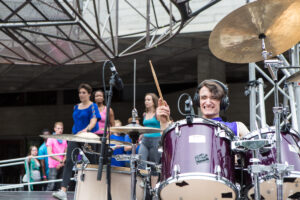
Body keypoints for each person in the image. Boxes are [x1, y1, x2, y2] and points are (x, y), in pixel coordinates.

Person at [53, 83, 101, 200]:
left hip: (87, 137)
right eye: (80, 92)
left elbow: (93, 122)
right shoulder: (76, 106)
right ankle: (63, 190)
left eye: (84, 92)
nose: (81, 95)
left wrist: (85, 131)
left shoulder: (93, 106)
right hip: (75, 137)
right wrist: (77, 133)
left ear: (89, 94)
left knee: (92, 162)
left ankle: (96, 190)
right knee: (69, 160)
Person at [156, 79, 249, 137]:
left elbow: (255, 151)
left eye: (213, 97)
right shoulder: (186, 127)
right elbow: (169, 146)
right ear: (198, 101)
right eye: (204, 98)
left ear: (222, 101)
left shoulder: (237, 127)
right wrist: (163, 122)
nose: (208, 102)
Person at [138, 93, 161, 170]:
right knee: (140, 162)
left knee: (154, 166)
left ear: (154, 102)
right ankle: (142, 182)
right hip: (145, 140)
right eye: (145, 100)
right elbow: (146, 127)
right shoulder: (144, 114)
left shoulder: (158, 113)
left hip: (156, 140)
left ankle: (153, 182)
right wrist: (141, 134)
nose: (146, 102)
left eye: (148, 100)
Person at [47, 122, 68, 191]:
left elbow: (66, 152)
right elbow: (49, 153)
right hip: (53, 165)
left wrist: (62, 162)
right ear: (55, 129)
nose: (60, 130)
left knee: (60, 186)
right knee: (51, 185)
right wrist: (60, 160)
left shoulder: (64, 139)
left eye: (61, 128)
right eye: (58, 128)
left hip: (62, 164)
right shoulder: (50, 138)